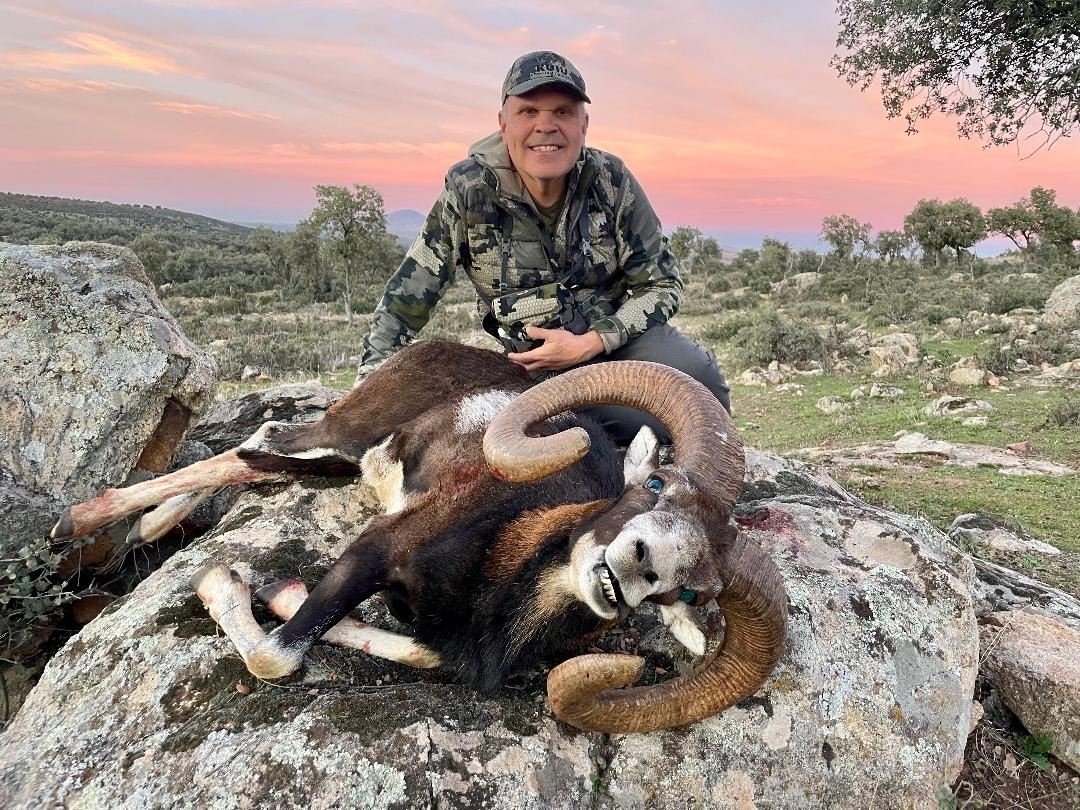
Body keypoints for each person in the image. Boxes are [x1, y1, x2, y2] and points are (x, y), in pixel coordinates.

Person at [359, 50, 730, 444]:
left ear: (584, 124)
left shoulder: (612, 180)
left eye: (563, 112)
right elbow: (403, 304)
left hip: (620, 347)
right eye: (529, 111)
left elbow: (662, 284)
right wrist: (365, 395)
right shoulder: (468, 190)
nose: (546, 126)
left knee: (703, 393)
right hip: (532, 371)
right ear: (503, 124)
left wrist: (593, 341)